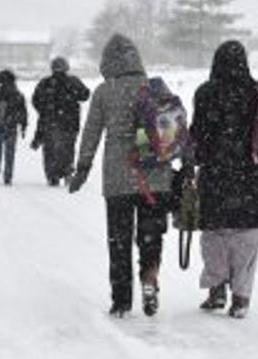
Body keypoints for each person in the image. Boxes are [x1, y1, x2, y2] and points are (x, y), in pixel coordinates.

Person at [67, 34, 171, 318]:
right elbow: (172, 130)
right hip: (155, 177)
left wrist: (82, 168)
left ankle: (121, 300)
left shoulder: (104, 91)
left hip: (118, 179)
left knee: (119, 241)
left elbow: (91, 132)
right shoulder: (155, 87)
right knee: (151, 236)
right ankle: (149, 278)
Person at [189, 40, 258, 319]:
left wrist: (195, 159)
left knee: (214, 235)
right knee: (248, 237)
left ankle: (216, 290)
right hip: (252, 178)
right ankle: (241, 297)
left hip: (216, 176)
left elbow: (197, 136)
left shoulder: (206, 93)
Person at [31, 57, 90, 186]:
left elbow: (35, 100)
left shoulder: (45, 83)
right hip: (70, 122)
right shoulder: (72, 81)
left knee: (50, 149)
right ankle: (67, 171)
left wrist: (45, 110)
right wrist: (71, 97)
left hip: (49, 121)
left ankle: (52, 175)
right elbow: (85, 95)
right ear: (66, 68)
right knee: (68, 148)